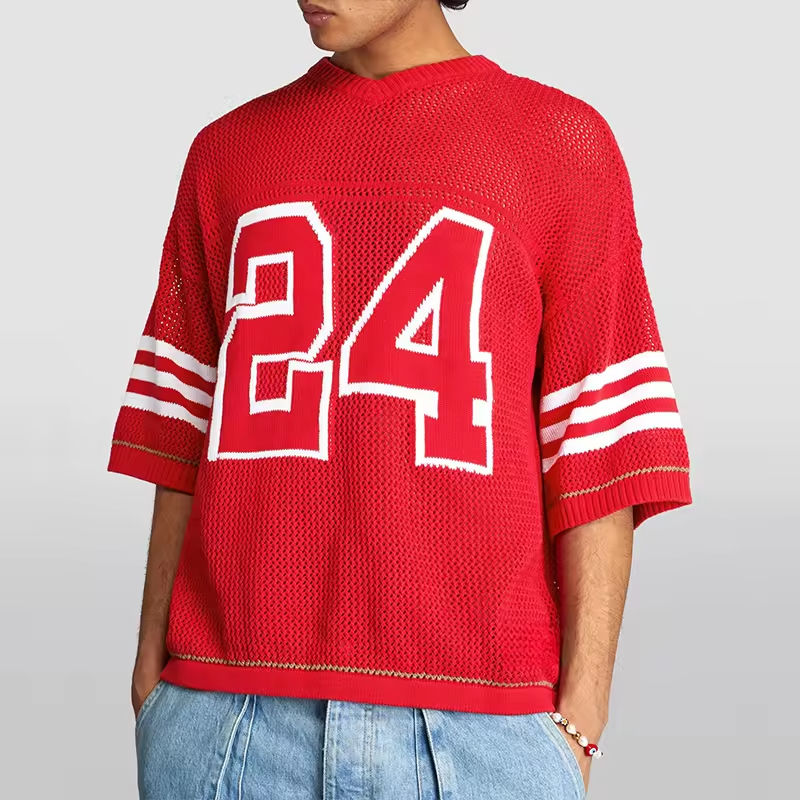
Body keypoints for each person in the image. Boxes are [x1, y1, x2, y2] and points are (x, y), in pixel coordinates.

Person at [107, 1, 693, 797]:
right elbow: (182, 431)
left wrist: (583, 713)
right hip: (226, 717)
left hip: (480, 731)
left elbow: (597, 443)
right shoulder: (226, 153)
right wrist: (154, 670)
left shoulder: (560, 145)